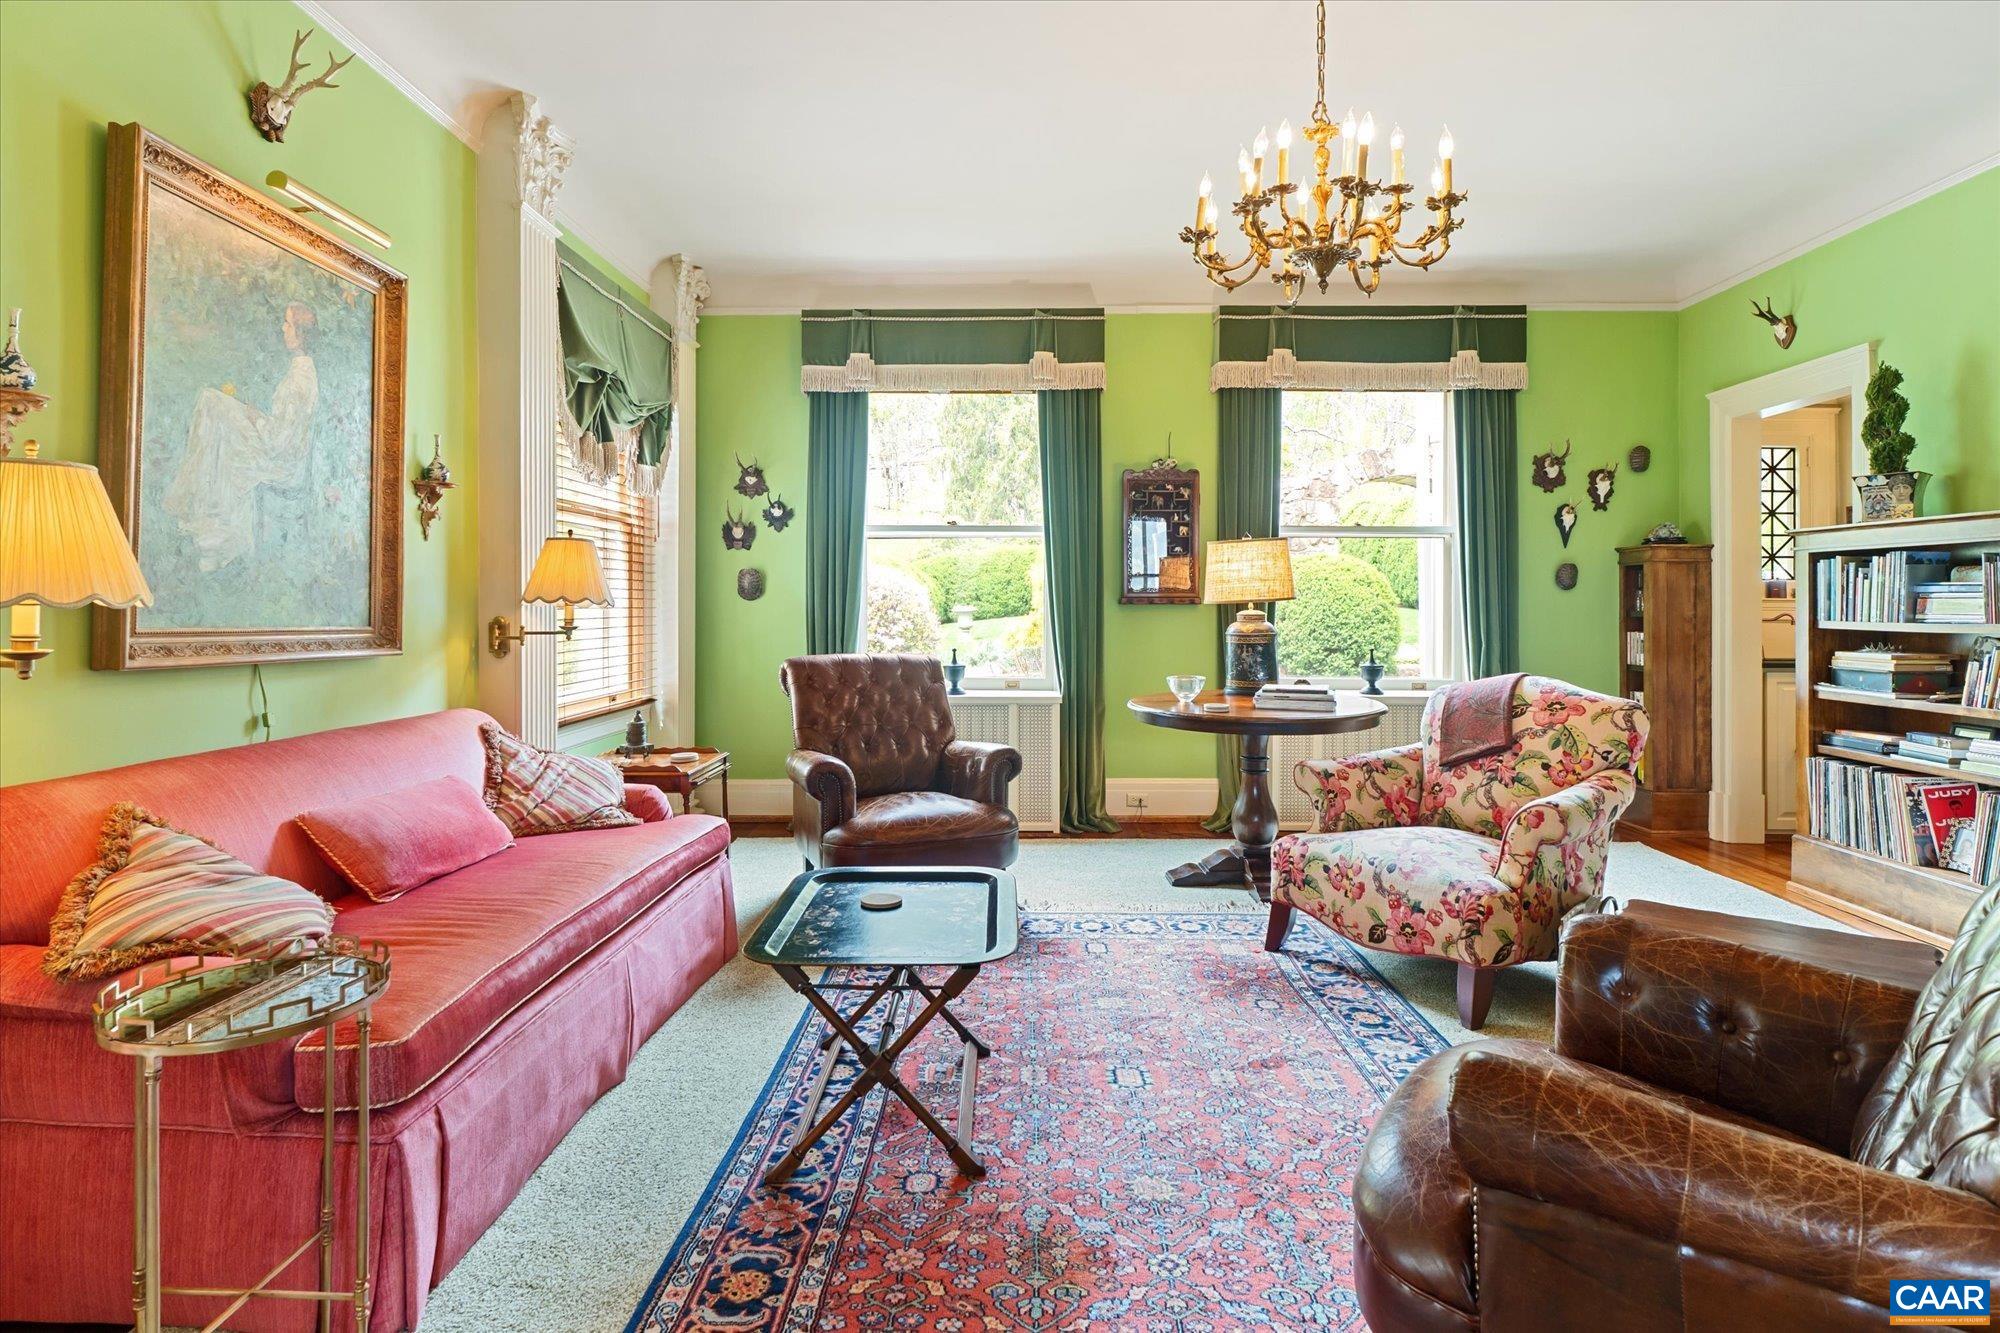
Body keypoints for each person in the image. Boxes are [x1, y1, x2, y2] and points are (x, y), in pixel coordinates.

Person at [162, 301, 321, 572]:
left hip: (281, 461)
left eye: (288, 323)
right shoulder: (302, 371)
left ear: (300, 334)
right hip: (277, 447)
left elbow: (280, 440)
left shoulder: (300, 380)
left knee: (215, 411)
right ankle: (206, 526)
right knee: (213, 405)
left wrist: (254, 417)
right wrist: (254, 415)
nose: (283, 328)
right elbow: (284, 428)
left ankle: (217, 536)